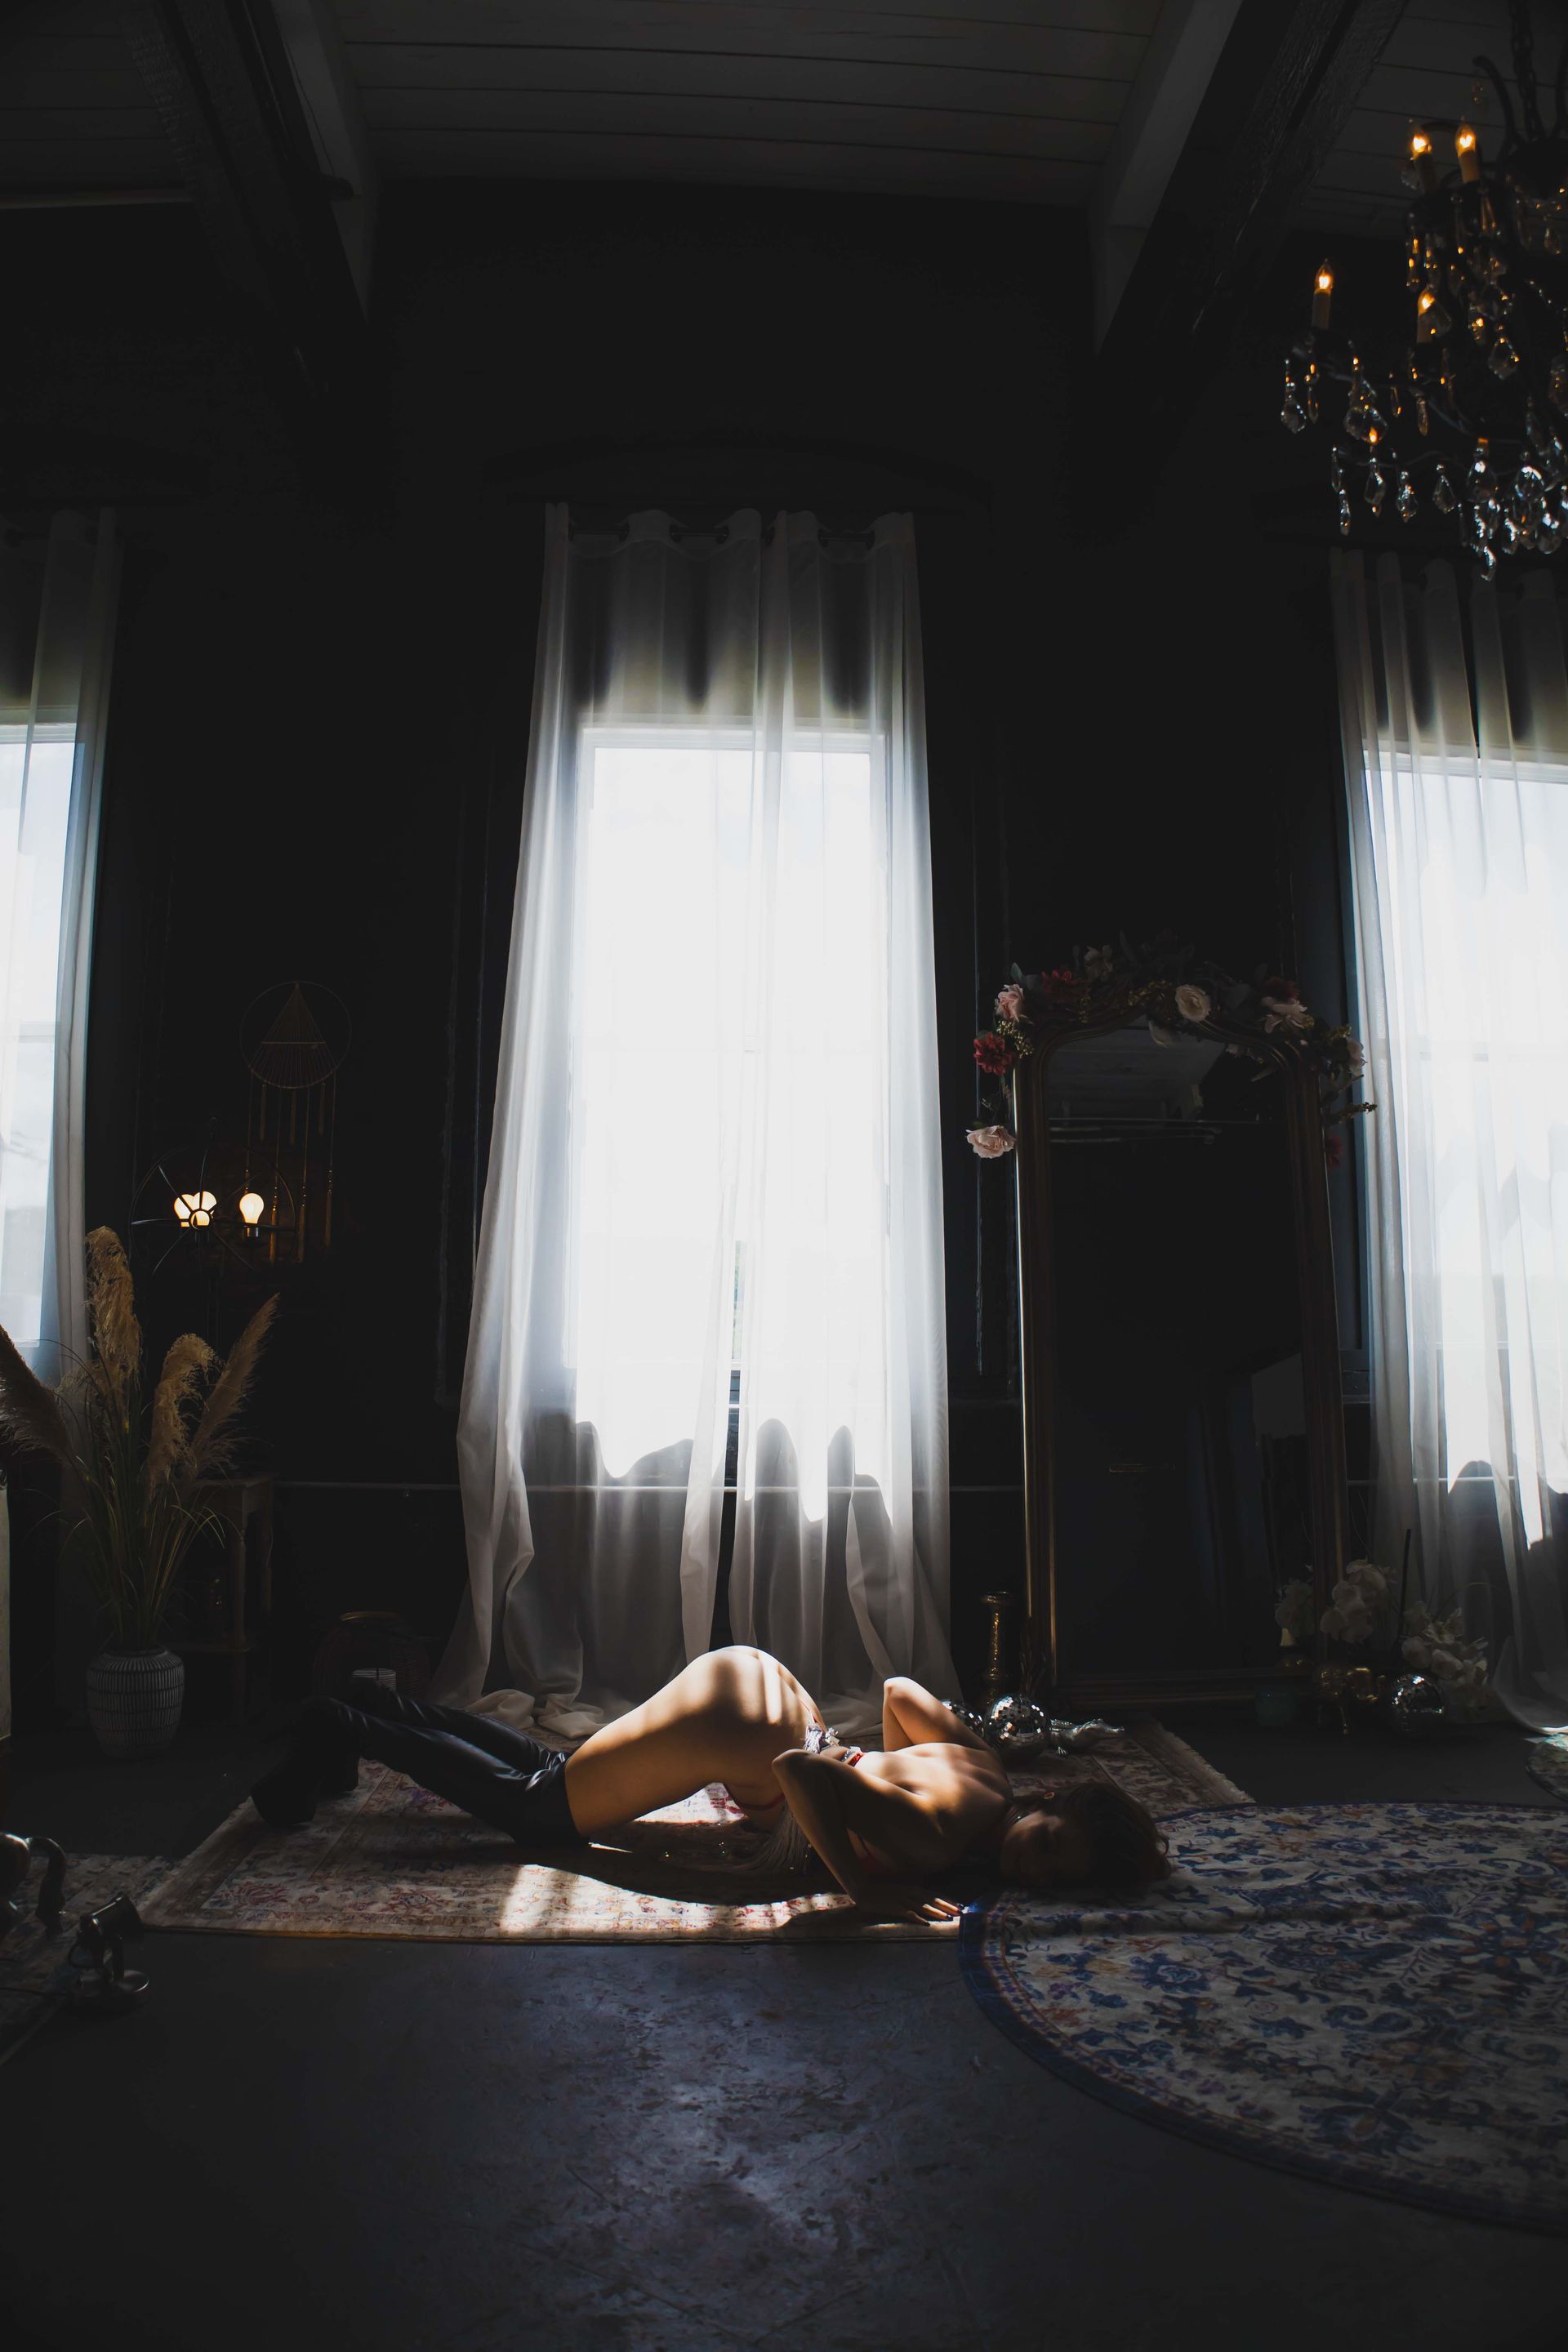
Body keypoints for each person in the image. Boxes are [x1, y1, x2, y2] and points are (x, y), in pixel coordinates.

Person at [251, 1645, 1169, 1925]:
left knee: (554, 1777)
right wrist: (871, 1889)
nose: (1028, 1867)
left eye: (1053, 1877)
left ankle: (374, 1703)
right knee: (544, 1810)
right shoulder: (937, 1837)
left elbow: (897, 1697)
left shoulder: (987, 1769)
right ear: (1050, 1807)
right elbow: (801, 1772)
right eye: (1045, 1845)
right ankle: (346, 1726)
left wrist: (869, 1766)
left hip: (764, 1687)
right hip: (755, 1730)